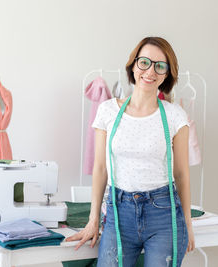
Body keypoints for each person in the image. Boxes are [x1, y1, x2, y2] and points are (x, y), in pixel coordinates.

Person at [66, 37, 195, 266]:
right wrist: (93, 219)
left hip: (164, 214)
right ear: (133, 65)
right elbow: (100, 168)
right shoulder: (108, 111)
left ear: (167, 74)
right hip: (118, 212)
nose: (150, 71)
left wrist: (188, 224)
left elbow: (182, 175)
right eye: (144, 62)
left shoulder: (175, 116)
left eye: (160, 66)